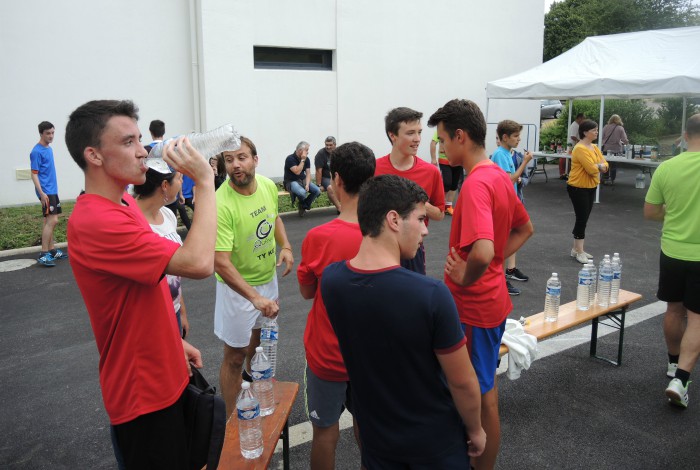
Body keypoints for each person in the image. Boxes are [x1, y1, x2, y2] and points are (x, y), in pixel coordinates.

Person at [65, 99, 216, 468]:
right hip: (143, 396)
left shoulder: (123, 204)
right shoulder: (97, 221)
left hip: (165, 374)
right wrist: (206, 183)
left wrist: (173, 342)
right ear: (94, 155)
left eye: (140, 139)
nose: (143, 151)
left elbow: (143, 289)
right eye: (129, 142)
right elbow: (198, 263)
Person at [321, 174, 486, 469]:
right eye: (421, 219)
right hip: (433, 445)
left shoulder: (332, 281)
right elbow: (462, 382)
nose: (425, 230)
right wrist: (475, 428)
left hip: (377, 443)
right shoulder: (431, 295)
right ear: (394, 220)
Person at [428, 99, 534, 470]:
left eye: (442, 140)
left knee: (481, 395)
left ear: (460, 136)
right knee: (481, 390)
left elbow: (484, 248)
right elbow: (524, 228)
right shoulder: (498, 177)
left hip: (475, 309)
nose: (440, 148)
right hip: (489, 304)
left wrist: (468, 274)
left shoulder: (475, 184)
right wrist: (493, 267)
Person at [297, 142, 376, 470]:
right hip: (372, 354)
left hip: (327, 353)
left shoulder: (318, 237)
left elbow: (306, 291)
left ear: (337, 180)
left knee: (325, 433)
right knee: (370, 429)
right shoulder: (384, 233)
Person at [215, 136, 294, 417]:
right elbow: (220, 263)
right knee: (235, 357)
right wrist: (255, 298)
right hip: (237, 290)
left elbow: (274, 218)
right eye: (229, 159)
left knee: (261, 346)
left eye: (242, 157)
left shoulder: (268, 187)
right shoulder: (221, 203)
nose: (236, 165)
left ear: (255, 160)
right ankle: (226, 424)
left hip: (266, 281)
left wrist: (284, 245)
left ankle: (256, 394)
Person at [644, 113, 700, 409]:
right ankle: (681, 378)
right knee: (698, 318)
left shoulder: (667, 167)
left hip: (673, 250)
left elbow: (651, 212)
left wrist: (673, 211)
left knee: (674, 308)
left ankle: (672, 363)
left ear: (686, 136)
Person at [375, 107, 445, 274]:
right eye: (410, 133)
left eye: (419, 132)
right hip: (379, 247)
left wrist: (417, 202)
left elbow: (439, 214)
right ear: (393, 135)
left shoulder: (431, 172)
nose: (417, 139)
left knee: (413, 299)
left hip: (413, 251)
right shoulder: (375, 168)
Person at [133, 166, 190, 339]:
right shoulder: (133, 222)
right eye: (179, 178)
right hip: (152, 315)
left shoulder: (167, 214)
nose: (181, 183)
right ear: (165, 184)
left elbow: (175, 276)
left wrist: (181, 311)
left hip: (174, 308)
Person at [491, 120, 533, 296]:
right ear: (505, 137)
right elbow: (509, 180)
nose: (519, 139)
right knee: (503, 239)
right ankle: (498, 276)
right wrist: (525, 162)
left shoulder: (507, 153)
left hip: (511, 201)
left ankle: (508, 270)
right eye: (515, 136)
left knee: (513, 234)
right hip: (504, 202)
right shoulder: (500, 154)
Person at [568, 120, 609, 264]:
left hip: (591, 186)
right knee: (582, 218)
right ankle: (579, 251)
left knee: (584, 218)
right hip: (578, 187)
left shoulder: (594, 147)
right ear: (585, 132)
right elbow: (591, 169)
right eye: (594, 130)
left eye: (597, 130)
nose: (597, 132)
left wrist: (600, 165)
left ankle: (577, 249)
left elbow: (605, 163)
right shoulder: (579, 148)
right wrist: (599, 166)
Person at [30, 121, 68, 267]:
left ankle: (51, 250)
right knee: (53, 220)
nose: (51, 136)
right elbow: (34, 174)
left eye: (52, 133)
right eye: (48, 133)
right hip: (46, 191)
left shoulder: (49, 149)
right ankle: (44, 253)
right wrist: (41, 193)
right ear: (41, 133)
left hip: (52, 190)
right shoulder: (36, 151)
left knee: (48, 221)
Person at [146, 119, 192, 230]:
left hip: (152, 195)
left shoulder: (146, 150)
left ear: (151, 132)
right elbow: (178, 172)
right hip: (170, 192)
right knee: (171, 222)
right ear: (163, 132)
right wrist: (180, 193)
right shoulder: (170, 148)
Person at [284, 141, 321, 217]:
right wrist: (302, 160)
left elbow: (308, 173)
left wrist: (307, 184)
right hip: (291, 181)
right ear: (300, 150)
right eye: (306, 150)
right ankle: (303, 204)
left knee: (317, 190)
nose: (308, 152)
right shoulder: (290, 158)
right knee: (302, 193)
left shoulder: (307, 159)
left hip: (302, 180)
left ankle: (304, 205)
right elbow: (297, 171)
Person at [431, 130, 463, 216]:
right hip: (444, 159)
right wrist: (433, 158)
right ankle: (440, 203)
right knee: (447, 183)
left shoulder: (461, 130)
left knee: (454, 184)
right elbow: (433, 143)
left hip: (458, 160)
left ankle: (448, 206)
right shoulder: (441, 128)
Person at [314, 136, 341, 213]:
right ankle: (339, 208)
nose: (328, 147)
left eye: (330, 145)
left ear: (335, 145)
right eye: (326, 145)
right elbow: (318, 171)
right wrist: (318, 185)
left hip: (338, 176)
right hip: (326, 177)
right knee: (330, 188)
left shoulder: (339, 153)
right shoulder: (321, 154)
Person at [600, 114, 629, 184]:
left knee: (605, 164)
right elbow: (624, 139)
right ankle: (612, 180)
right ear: (618, 120)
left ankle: (605, 179)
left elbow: (601, 136)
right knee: (613, 165)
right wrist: (627, 143)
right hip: (616, 149)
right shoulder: (620, 128)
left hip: (606, 148)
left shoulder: (606, 127)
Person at [562, 113, 585, 180]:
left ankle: (572, 174)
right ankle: (573, 175)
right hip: (572, 146)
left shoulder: (575, 125)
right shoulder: (575, 126)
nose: (584, 120)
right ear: (579, 118)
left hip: (573, 145)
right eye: (583, 118)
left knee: (573, 160)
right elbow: (573, 136)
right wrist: (580, 141)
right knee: (573, 160)